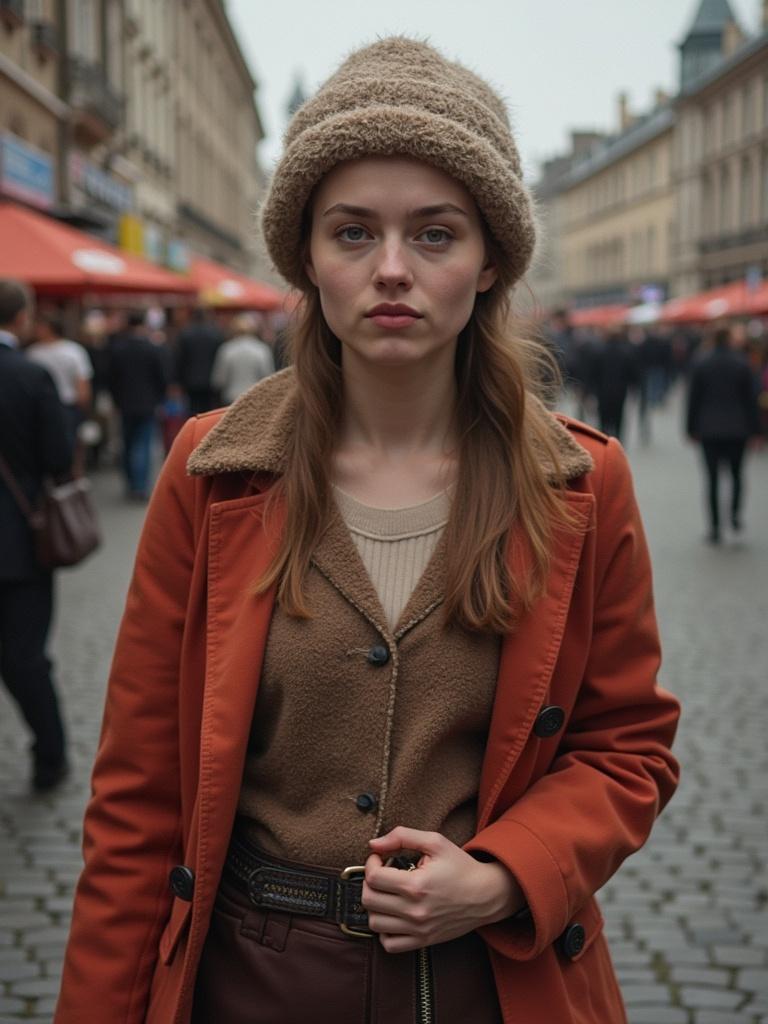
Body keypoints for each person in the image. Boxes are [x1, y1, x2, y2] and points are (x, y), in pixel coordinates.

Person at [56, 39, 680, 1024]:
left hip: (491, 981)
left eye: (435, 234)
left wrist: (507, 873)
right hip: (254, 976)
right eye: (354, 233)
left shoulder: (580, 482)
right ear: (306, 254)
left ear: (489, 260)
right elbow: (137, 798)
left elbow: (628, 744)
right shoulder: (212, 473)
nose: (392, 269)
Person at [0, 279, 73, 791]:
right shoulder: (30, 375)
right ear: (21, 318)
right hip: (19, 541)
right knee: (25, 657)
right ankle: (50, 758)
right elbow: (58, 455)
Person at [686, 324, 761, 543]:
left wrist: (691, 428)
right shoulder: (742, 364)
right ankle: (735, 515)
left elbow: (694, 399)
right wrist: (757, 431)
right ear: (729, 339)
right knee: (737, 475)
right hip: (738, 429)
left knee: (712, 479)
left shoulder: (701, 362)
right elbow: (751, 400)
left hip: (708, 429)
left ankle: (715, 526)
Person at [108, 310, 168, 500]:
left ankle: (130, 482)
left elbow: (112, 379)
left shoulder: (119, 348)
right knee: (143, 444)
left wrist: (115, 400)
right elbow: (162, 377)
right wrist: (160, 398)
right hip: (148, 402)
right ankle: (140, 485)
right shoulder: (152, 348)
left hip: (125, 403)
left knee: (127, 442)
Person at [25, 313, 93, 451]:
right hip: (44, 407)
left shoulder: (73, 351)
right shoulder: (32, 352)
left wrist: (83, 406)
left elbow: (82, 385)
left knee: (68, 444)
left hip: (66, 406)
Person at [211, 311, 275, 404]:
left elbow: (219, 380)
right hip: (255, 396)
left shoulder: (227, 349)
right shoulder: (261, 349)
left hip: (231, 397)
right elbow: (268, 376)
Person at [174, 306, 225, 414]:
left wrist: (178, 380)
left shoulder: (185, 334)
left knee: (192, 410)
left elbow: (180, 359)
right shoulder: (215, 334)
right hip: (210, 380)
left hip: (190, 380)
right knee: (208, 411)